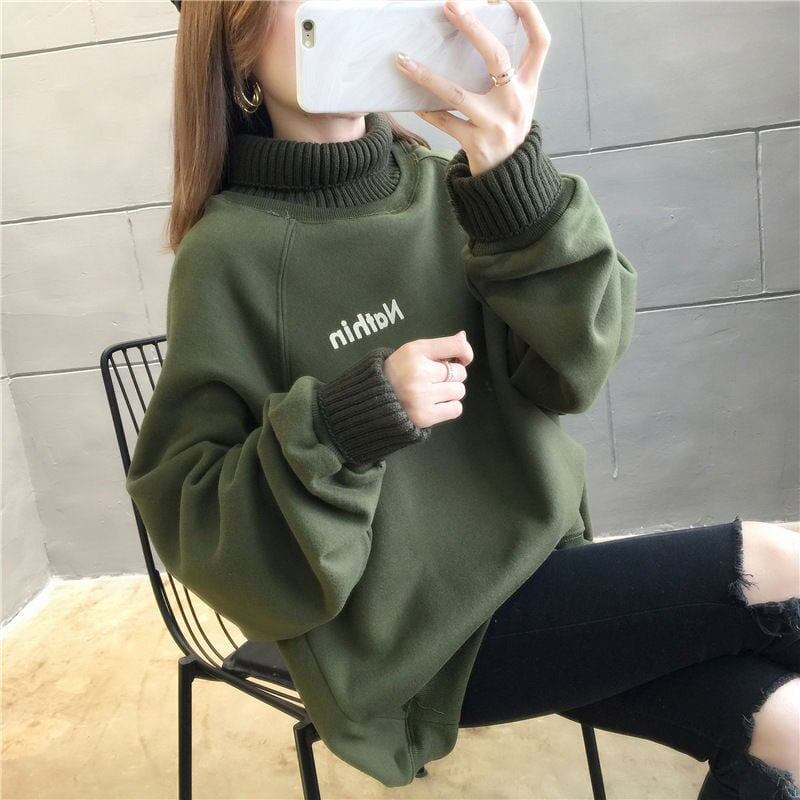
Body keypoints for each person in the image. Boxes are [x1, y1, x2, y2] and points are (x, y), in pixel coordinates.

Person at [128, 0, 800, 795]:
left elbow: (576, 368)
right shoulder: (226, 256)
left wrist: (518, 185)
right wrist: (347, 421)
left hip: (546, 567)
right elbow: (195, 514)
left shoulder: (452, 188)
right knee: (780, 561)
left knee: (787, 728)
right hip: (418, 646)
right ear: (237, 47)